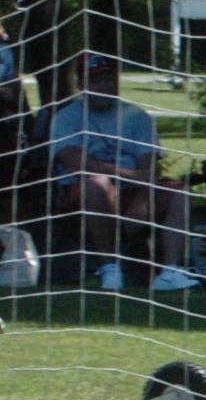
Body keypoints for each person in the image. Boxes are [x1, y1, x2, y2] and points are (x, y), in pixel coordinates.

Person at [49, 52, 195, 293]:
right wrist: (131, 176)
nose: (103, 86)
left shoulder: (137, 117)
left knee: (181, 192)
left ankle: (170, 271)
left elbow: (149, 169)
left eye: (108, 80)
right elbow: (77, 163)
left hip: (133, 190)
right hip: (83, 192)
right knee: (97, 183)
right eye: (95, 81)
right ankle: (110, 267)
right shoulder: (66, 118)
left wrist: (142, 201)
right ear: (81, 84)